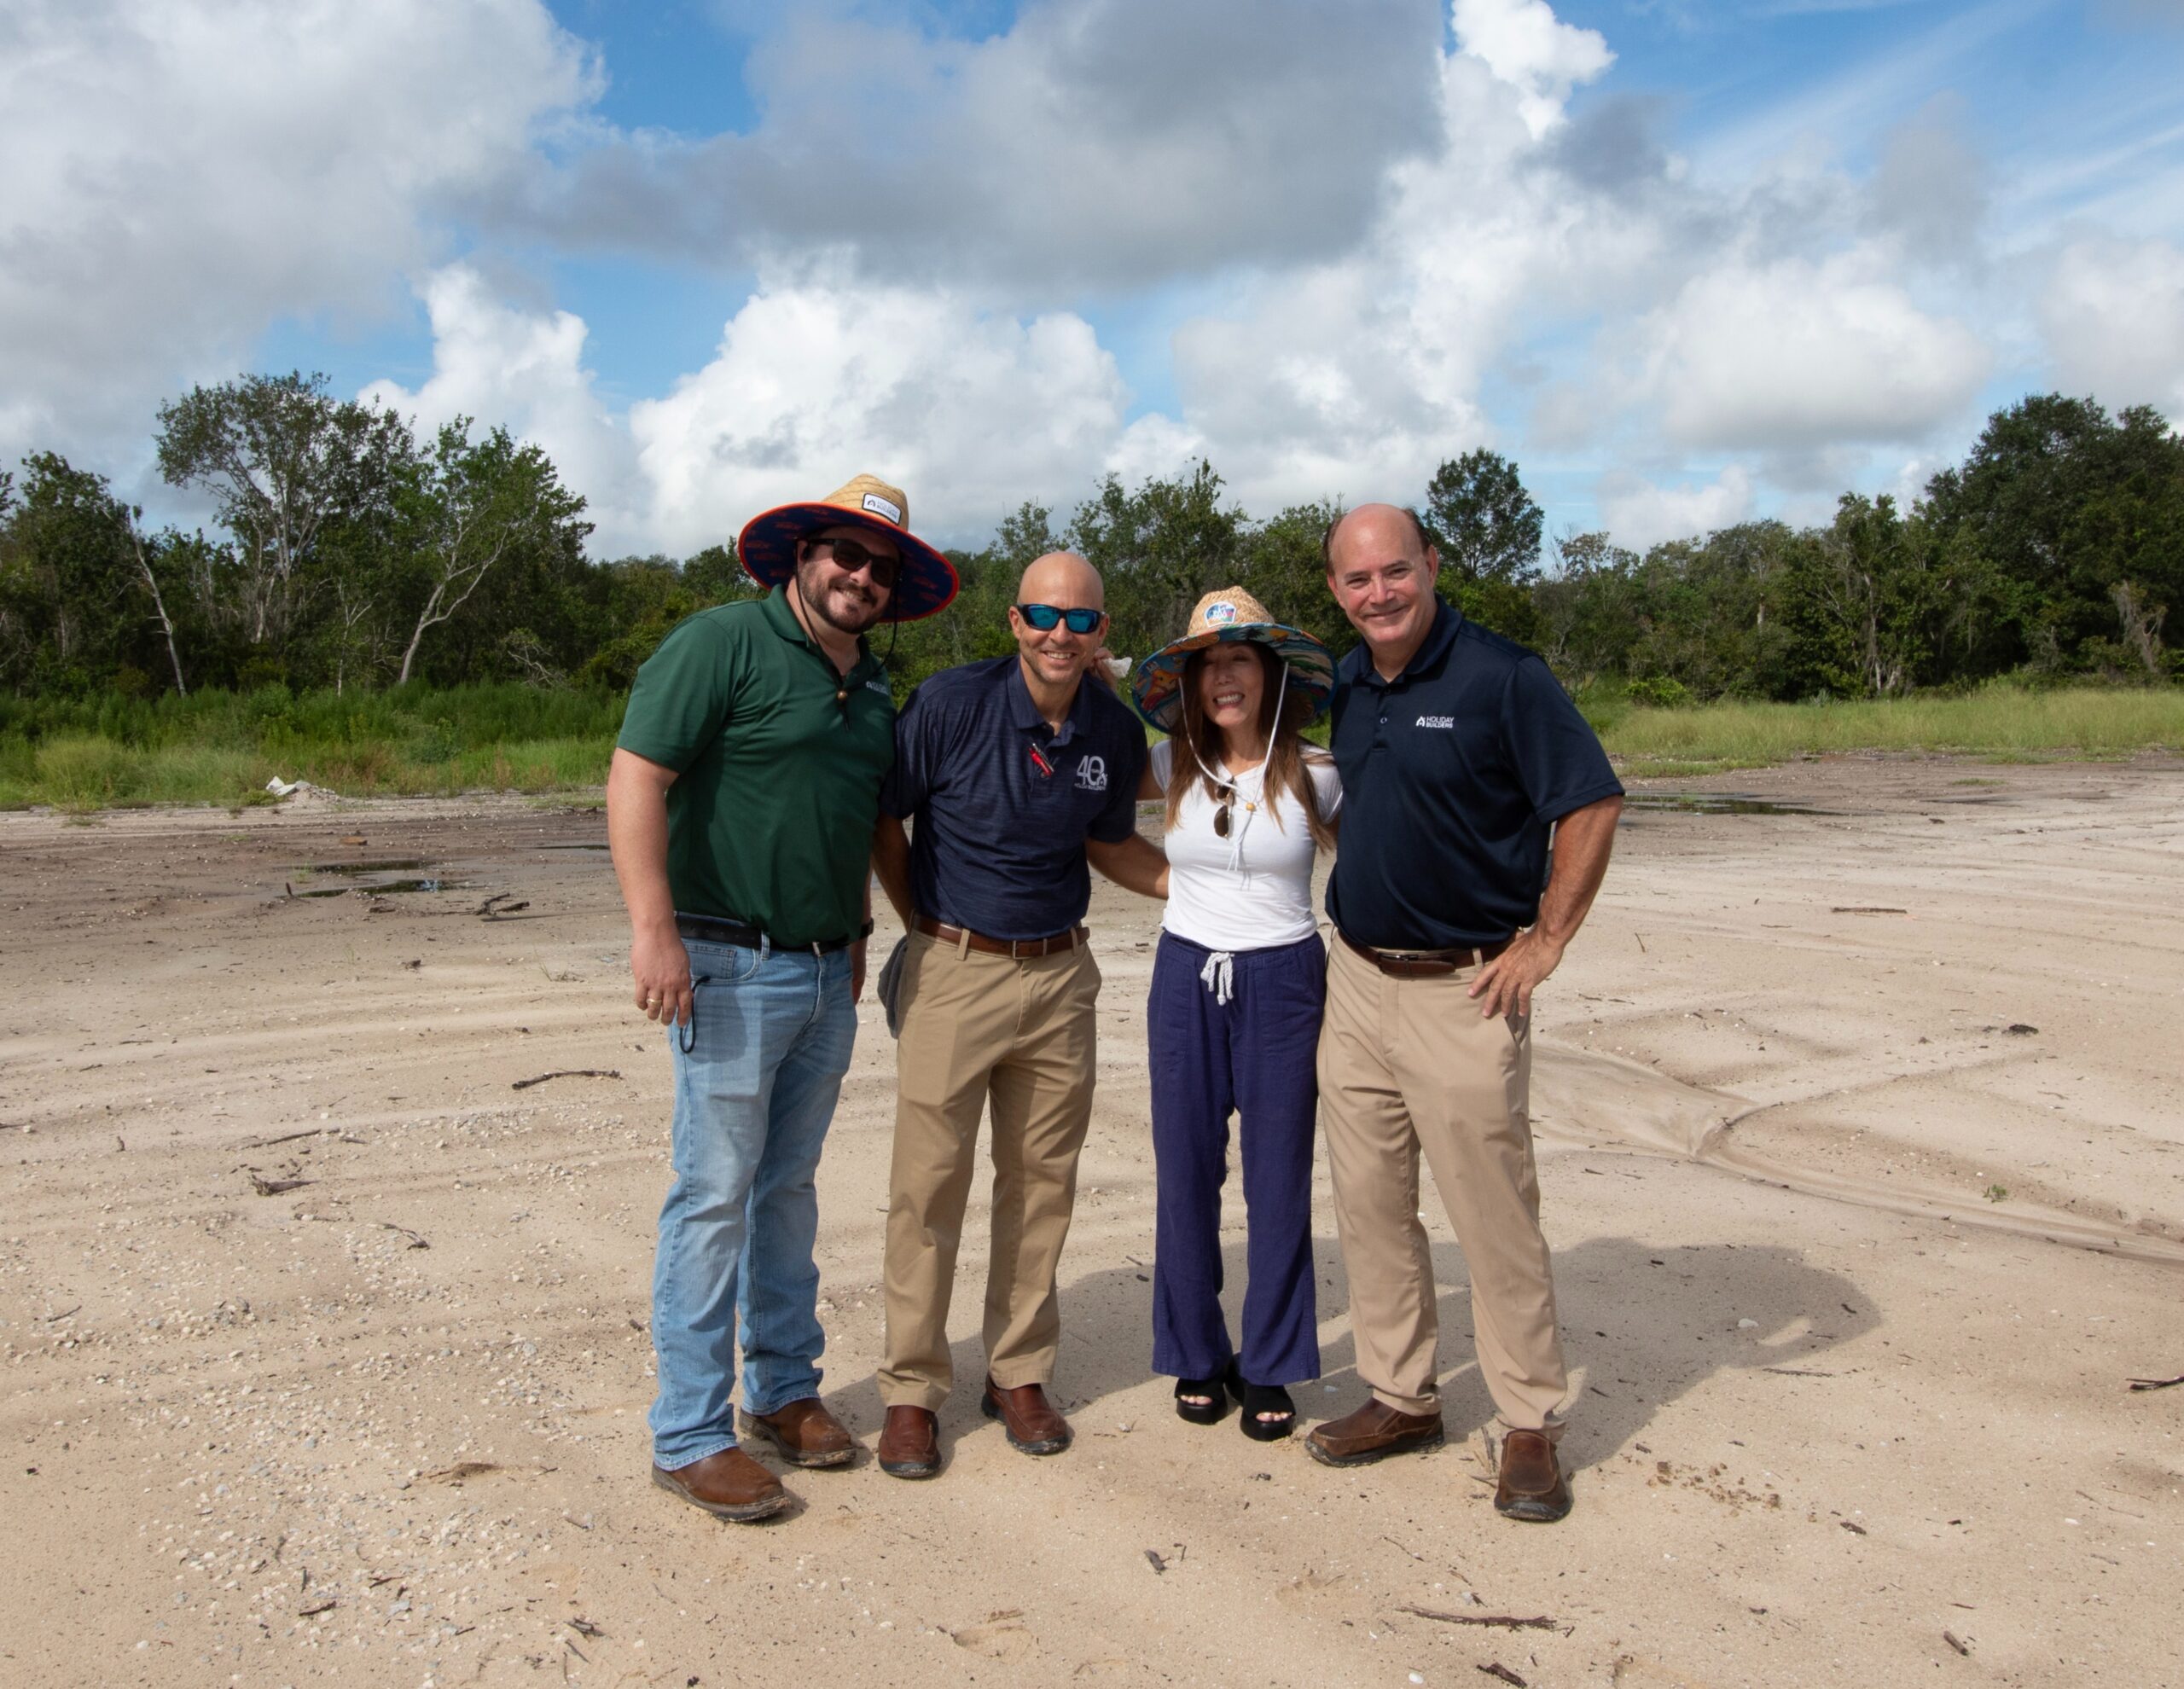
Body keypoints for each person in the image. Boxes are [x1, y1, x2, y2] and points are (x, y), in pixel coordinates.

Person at [607, 474, 958, 1524]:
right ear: (801, 557)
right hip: (722, 960)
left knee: (787, 1189)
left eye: (880, 567)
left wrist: (858, 931)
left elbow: (850, 817)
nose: (859, 577)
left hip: (821, 969)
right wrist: (653, 931)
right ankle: (688, 1434)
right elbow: (634, 778)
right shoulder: (720, 643)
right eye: (844, 555)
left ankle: (782, 1391)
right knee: (713, 1192)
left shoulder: (876, 687)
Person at [1305, 503, 1623, 1524]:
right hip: (1354, 980)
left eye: (1396, 572)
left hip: (1466, 988)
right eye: (1358, 582)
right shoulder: (1350, 681)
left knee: (1492, 1215)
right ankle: (1400, 1395)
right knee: (1370, 1202)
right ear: (1335, 592)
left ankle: (1528, 1421)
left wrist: (1547, 939)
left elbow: (1590, 799)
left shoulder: (1503, 676)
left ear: (1431, 566)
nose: (1379, 595)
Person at [868, 552, 1167, 1480]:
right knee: (928, 1188)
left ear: (1101, 633)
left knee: (1041, 1183)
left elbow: (1110, 841)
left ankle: (1018, 1372)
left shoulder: (1111, 732)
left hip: (1060, 975)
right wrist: (917, 923)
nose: (1059, 635)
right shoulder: (949, 704)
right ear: (1013, 620)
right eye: (1043, 615)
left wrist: (1203, 891)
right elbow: (884, 819)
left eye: (1080, 621)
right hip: (954, 967)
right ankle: (913, 1391)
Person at [1128, 587, 1339, 1440]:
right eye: (1208, 663)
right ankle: (1193, 1350)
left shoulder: (1320, 773)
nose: (1223, 676)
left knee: (1279, 1179)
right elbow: (1099, 829)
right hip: (1184, 977)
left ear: (1269, 674)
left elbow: (1378, 863)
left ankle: (1272, 1363)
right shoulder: (1164, 764)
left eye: (1239, 659)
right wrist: (1171, 885)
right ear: (1189, 680)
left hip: (1287, 981)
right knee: (1184, 1172)